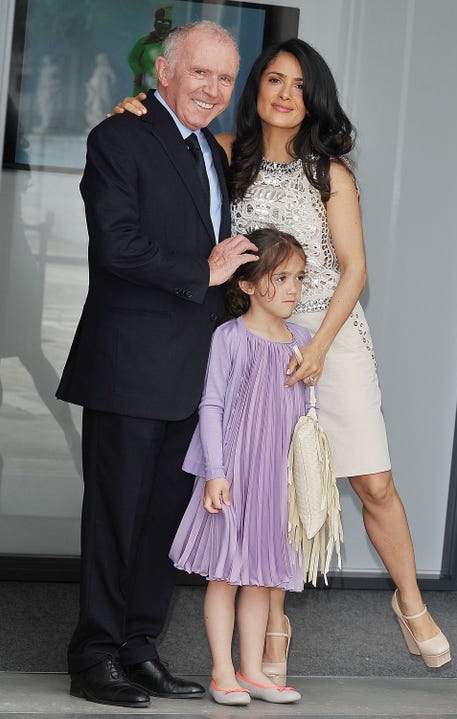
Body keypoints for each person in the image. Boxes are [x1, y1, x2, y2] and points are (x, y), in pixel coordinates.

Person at [112, 36, 451, 679]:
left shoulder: (331, 172)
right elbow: (166, 142)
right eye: (273, 80)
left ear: (312, 97)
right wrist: (135, 106)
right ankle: (273, 620)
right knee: (271, 487)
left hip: (329, 337)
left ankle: (410, 601)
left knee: (371, 480)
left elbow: (355, 270)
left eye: (298, 85)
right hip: (254, 343)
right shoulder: (224, 157)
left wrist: (318, 348)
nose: (285, 94)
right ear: (257, 90)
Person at [56, 20, 258, 709]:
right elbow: (116, 243)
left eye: (225, 78)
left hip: (192, 374)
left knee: (164, 525)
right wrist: (202, 271)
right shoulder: (119, 137)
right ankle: (95, 657)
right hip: (130, 365)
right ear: (164, 73)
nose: (213, 89)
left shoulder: (212, 149)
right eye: (200, 72)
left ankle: (139, 647)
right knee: (116, 519)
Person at [170, 227, 307, 706]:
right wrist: (215, 471)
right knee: (225, 574)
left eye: (298, 278)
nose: (293, 288)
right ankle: (222, 671)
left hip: (275, 478)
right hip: (232, 473)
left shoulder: (304, 342)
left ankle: (252, 671)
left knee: (261, 576)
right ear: (246, 285)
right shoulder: (229, 337)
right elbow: (211, 406)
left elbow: (309, 417)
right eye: (281, 277)